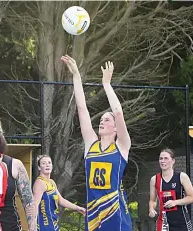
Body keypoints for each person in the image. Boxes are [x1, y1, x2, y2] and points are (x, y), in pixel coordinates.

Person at [61, 55, 132, 231]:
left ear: (115, 128)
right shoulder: (91, 144)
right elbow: (82, 109)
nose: (102, 121)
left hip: (116, 213)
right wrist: (77, 76)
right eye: (101, 119)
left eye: (107, 120)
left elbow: (118, 113)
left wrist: (107, 85)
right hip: (94, 214)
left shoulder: (122, 146)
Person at [33, 155, 86, 231]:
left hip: (53, 223)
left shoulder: (52, 182)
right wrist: (32, 224)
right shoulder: (40, 183)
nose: (47, 165)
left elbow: (61, 200)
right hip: (44, 225)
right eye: (43, 163)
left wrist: (77, 208)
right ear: (39, 167)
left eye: (49, 163)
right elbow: (34, 205)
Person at [149, 148, 193, 231]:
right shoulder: (154, 179)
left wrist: (175, 202)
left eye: (166, 158)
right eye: (161, 158)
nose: (163, 161)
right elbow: (153, 200)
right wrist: (151, 209)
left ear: (173, 161)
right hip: (164, 222)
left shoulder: (182, 177)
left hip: (181, 221)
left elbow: (192, 197)